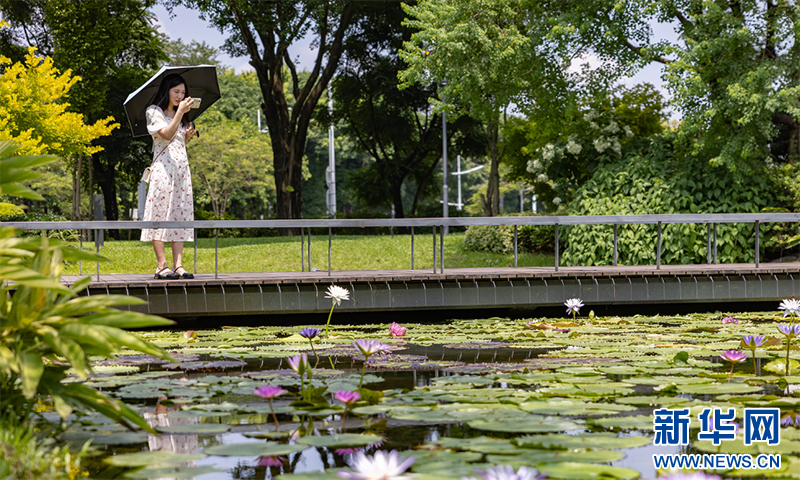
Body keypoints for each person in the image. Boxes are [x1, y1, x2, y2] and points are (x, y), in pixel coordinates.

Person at [141, 74, 198, 279]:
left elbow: (176, 142)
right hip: (163, 172)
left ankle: (178, 265)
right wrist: (180, 113)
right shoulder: (154, 111)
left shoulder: (181, 117)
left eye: (183, 93)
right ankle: (161, 265)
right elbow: (165, 134)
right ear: (167, 90)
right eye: (177, 92)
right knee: (160, 214)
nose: (180, 96)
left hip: (181, 171)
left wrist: (187, 137)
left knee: (179, 214)